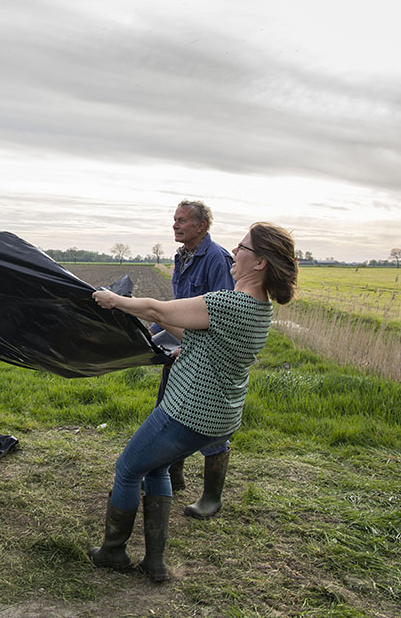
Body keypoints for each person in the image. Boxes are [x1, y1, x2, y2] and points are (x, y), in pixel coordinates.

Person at [88, 222, 297, 581]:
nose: (234, 252)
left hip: (185, 413)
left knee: (127, 470)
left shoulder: (229, 302)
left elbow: (157, 310)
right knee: (155, 468)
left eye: (242, 248)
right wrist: (188, 345)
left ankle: (113, 550)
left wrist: (115, 301)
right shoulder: (260, 309)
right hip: (219, 417)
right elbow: (198, 336)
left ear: (259, 262)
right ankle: (154, 563)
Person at [154, 200, 235, 516]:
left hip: (205, 358)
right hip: (179, 350)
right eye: (174, 219)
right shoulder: (181, 256)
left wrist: (191, 348)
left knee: (209, 424)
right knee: (168, 411)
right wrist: (151, 331)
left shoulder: (217, 260)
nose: (175, 225)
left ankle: (212, 498)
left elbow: (224, 317)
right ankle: (173, 476)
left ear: (202, 225)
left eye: (183, 220)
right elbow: (177, 306)